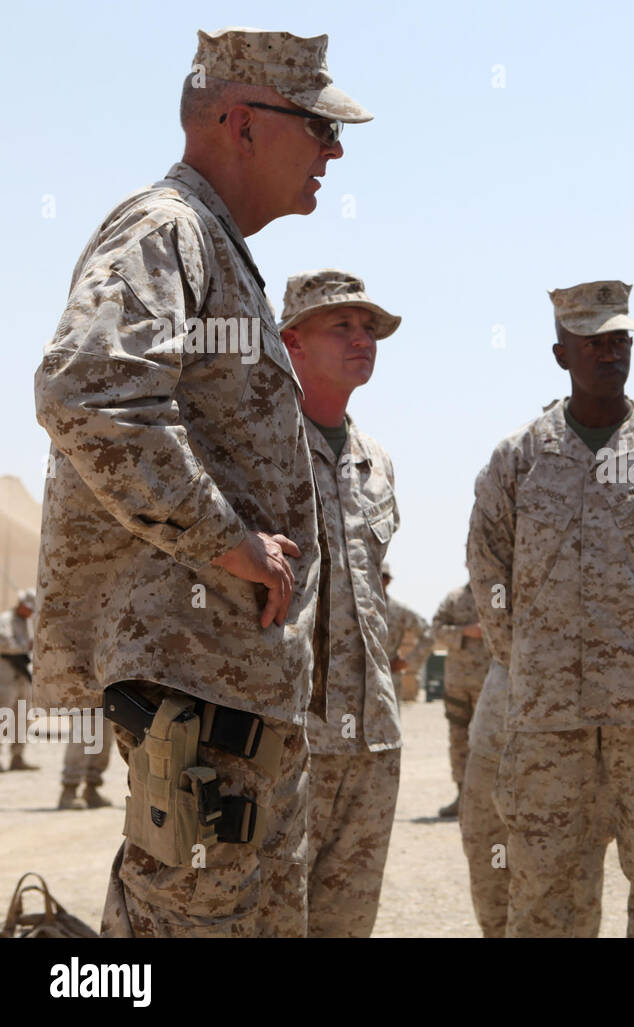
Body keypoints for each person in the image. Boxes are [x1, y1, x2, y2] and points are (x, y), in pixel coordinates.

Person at [32, 27, 372, 937]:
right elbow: (87, 389)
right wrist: (227, 538)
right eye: (317, 126)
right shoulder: (168, 229)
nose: (334, 151)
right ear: (240, 122)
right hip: (196, 689)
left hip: (234, 693)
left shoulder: (222, 251)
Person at [467, 280, 634, 937]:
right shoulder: (517, 459)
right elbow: (488, 570)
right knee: (545, 894)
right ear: (562, 354)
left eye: (620, 341)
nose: (610, 353)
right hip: (549, 722)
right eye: (593, 343)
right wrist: (527, 659)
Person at [279, 269, 402, 937]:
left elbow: (374, 586)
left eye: (370, 328)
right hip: (286, 739)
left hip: (372, 739)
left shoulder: (375, 460)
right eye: (342, 326)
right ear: (291, 341)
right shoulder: (257, 448)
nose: (364, 339)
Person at [459, 660, 612, 936]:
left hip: (575, 746)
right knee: (491, 864)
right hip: (495, 738)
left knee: (574, 877)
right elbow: (500, 637)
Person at [431, 580, 491, 817]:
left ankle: (487, 799)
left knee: (488, 739)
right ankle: (463, 796)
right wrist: (464, 632)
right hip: (457, 684)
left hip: (489, 684)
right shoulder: (454, 598)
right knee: (458, 740)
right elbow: (435, 629)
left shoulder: (498, 592)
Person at [381, 565, 434, 700]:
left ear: (388, 580)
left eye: (382, 576)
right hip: (356, 678)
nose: (377, 580)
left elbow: (428, 635)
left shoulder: (398, 611)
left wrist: (407, 662)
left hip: (388, 678)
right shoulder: (353, 608)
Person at [0, 590, 37, 772]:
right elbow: (4, 643)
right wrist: (24, 646)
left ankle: (18, 756)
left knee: (22, 716)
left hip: (23, 675)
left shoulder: (29, 623)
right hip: (5, 675)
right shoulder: (5, 620)